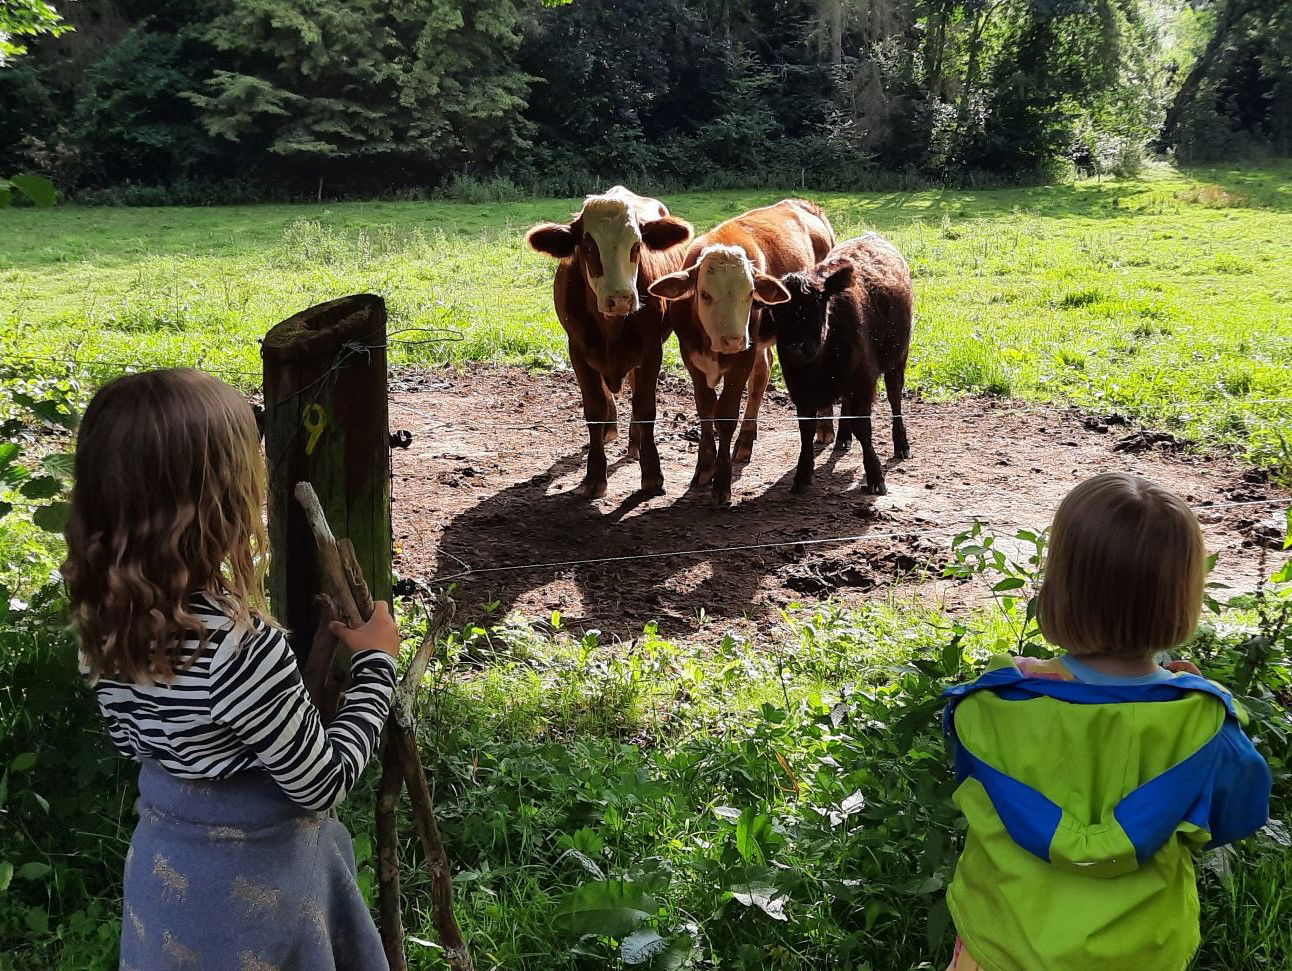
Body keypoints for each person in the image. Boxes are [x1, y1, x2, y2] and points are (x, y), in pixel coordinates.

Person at [64, 368, 400, 970]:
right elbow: (321, 782)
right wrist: (376, 664)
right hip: (258, 893)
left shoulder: (103, 622)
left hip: (170, 878)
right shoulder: (239, 647)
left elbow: (131, 739)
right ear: (220, 503)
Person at [941, 472, 1271, 971]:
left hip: (1001, 944)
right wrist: (1188, 699)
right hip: (1141, 951)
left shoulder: (991, 707)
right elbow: (1238, 815)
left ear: (1060, 586)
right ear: (1182, 597)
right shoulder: (1204, 724)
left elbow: (972, 780)